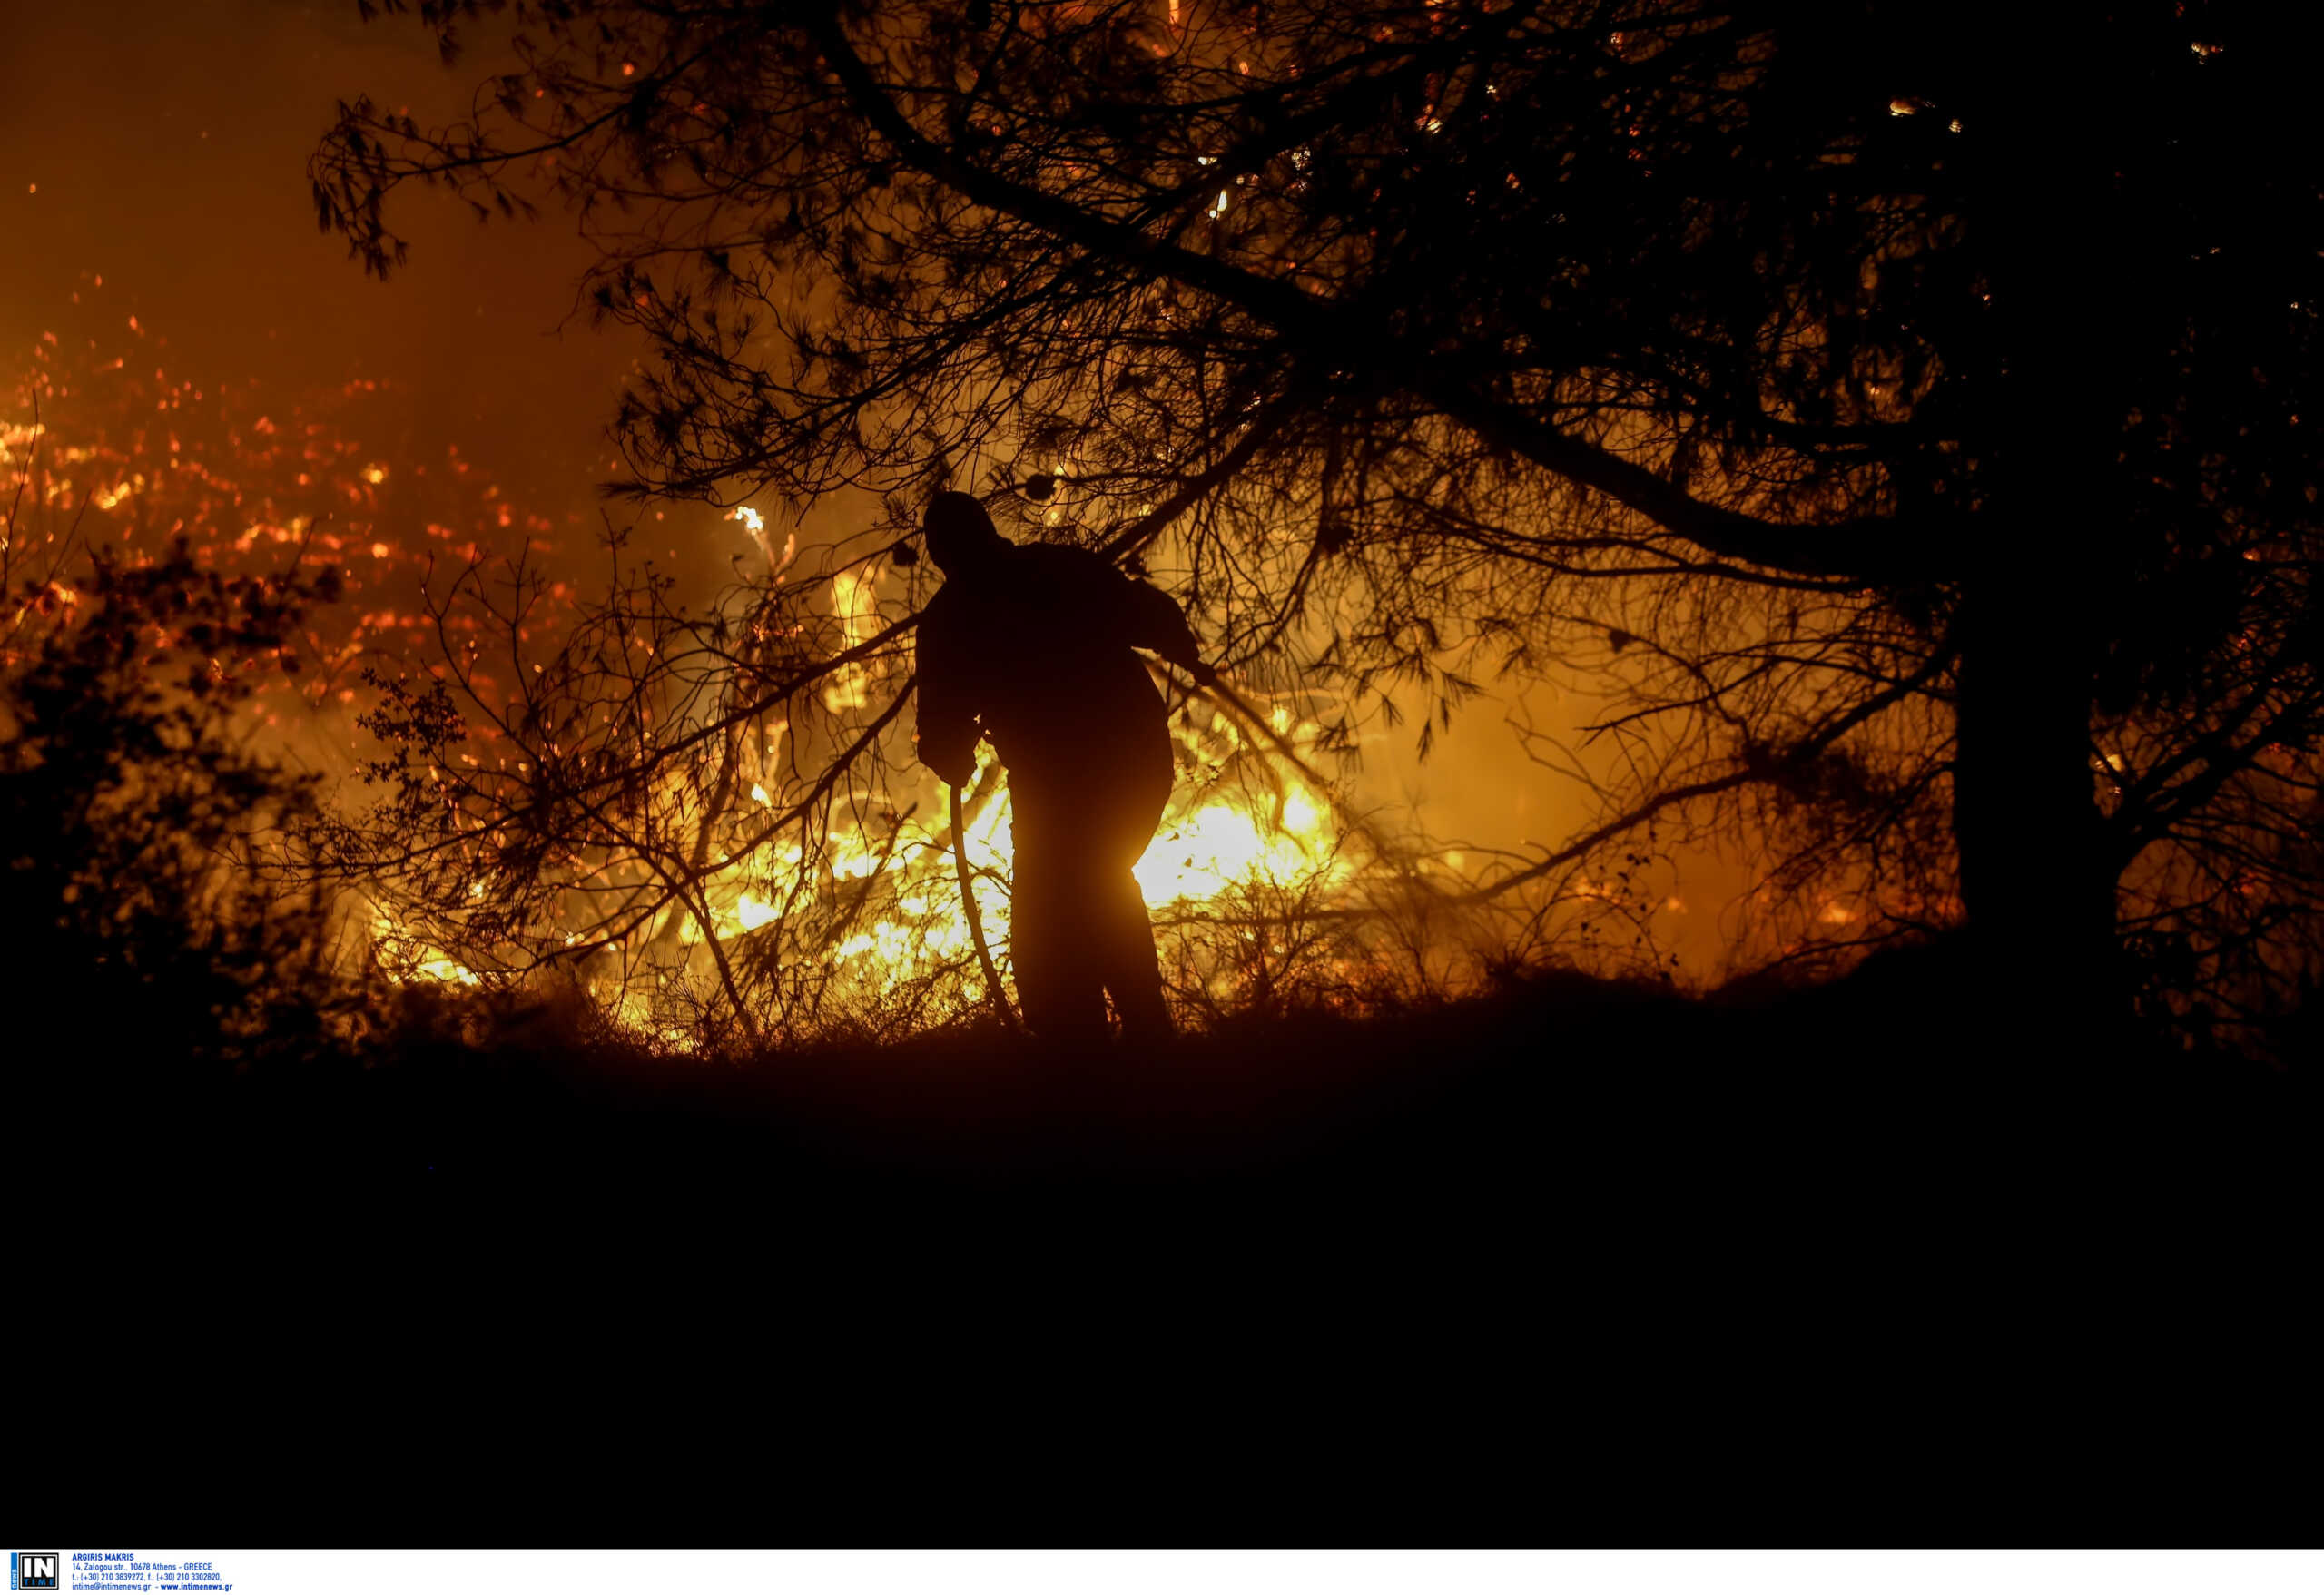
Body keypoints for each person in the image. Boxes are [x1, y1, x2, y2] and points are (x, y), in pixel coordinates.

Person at [913, 490, 1215, 1044]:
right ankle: (1092, 1042)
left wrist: (1176, 641)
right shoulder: (958, 618)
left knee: (1083, 880)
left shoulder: (1045, 576)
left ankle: (1122, 1039)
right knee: (1070, 894)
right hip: (1060, 779)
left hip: (1122, 758)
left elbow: (1144, 613)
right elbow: (937, 728)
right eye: (946, 549)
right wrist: (948, 752)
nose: (953, 558)